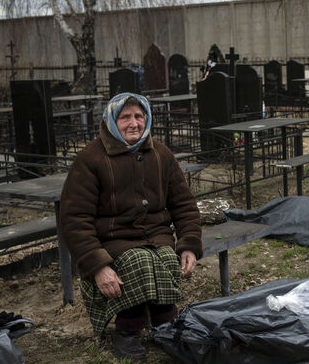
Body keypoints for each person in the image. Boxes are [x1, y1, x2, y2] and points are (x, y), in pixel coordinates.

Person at [59, 92, 202, 360]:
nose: (133, 123)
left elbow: (184, 204)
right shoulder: (91, 159)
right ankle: (127, 330)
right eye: (125, 117)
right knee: (138, 260)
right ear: (112, 121)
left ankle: (166, 324)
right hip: (113, 240)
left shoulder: (161, 154)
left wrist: (189, 245)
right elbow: (75, 218)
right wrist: (97, 266)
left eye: (139, 116)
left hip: (156, 235)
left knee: (165, 257)